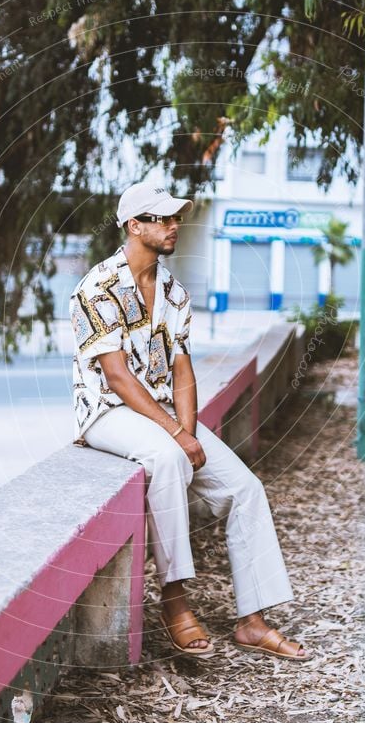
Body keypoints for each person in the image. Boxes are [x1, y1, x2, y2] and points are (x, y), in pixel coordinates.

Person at [68, 181, 312, 661]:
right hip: (106, 412)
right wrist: (178, 436)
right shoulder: (96, 288)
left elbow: (181, 367)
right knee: (167, 458)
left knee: (246, 489)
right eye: (161, 218)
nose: (173, 224)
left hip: (159, 411)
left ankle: (253, 621)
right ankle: (175, 600)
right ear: (134, 226)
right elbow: (116, 376)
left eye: (175, 216)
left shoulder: (174, 292)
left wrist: (189, 429)